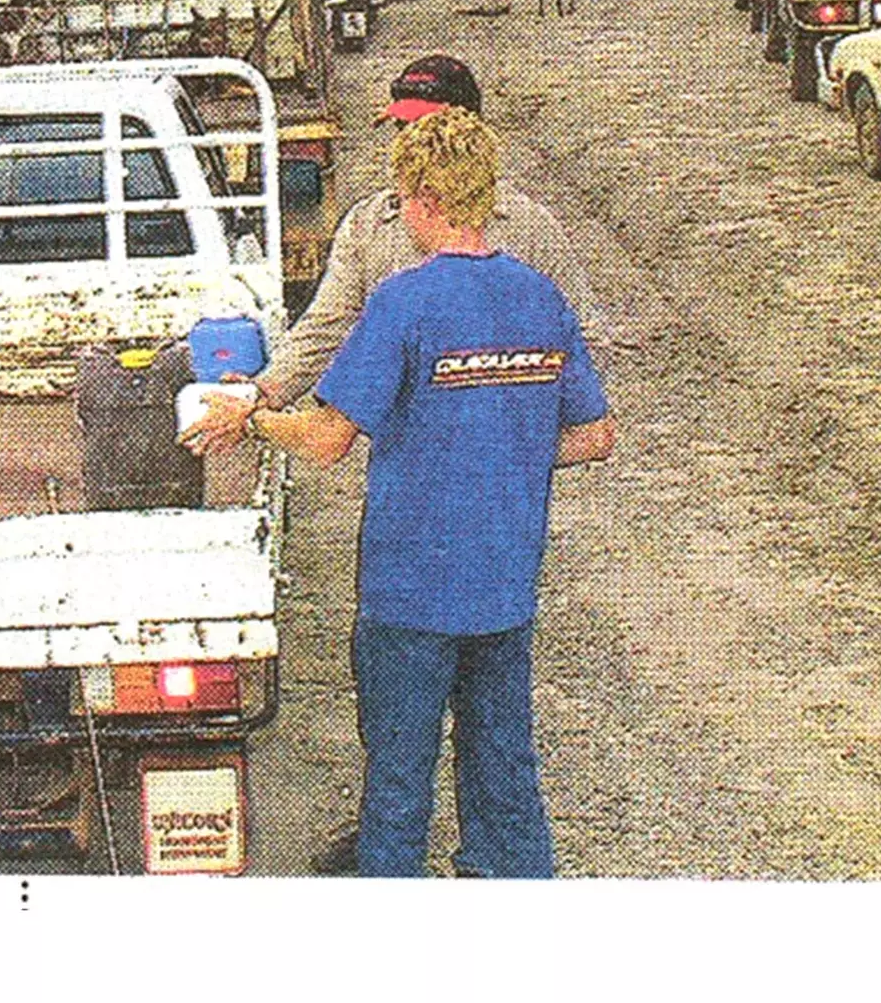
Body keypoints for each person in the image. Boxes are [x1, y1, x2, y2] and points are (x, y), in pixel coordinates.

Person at [183, 107, 613, 878]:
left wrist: (251, 418)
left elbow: (325, 438)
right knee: (505, 770)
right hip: (505, 587)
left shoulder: (406, 301)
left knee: (399, 785)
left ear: (420, 199)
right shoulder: (540, 299)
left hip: (410, 590)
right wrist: (497, 444)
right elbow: (593, 435)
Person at [187, 54, 602, 439]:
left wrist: (514, 438)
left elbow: (578, 342)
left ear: (467, 132)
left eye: (423, 129)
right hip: (405, 455)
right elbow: (326, 326)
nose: (408, 142)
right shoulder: (369, 225)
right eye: (402, 129)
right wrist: (262, 392)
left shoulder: (528, 226)